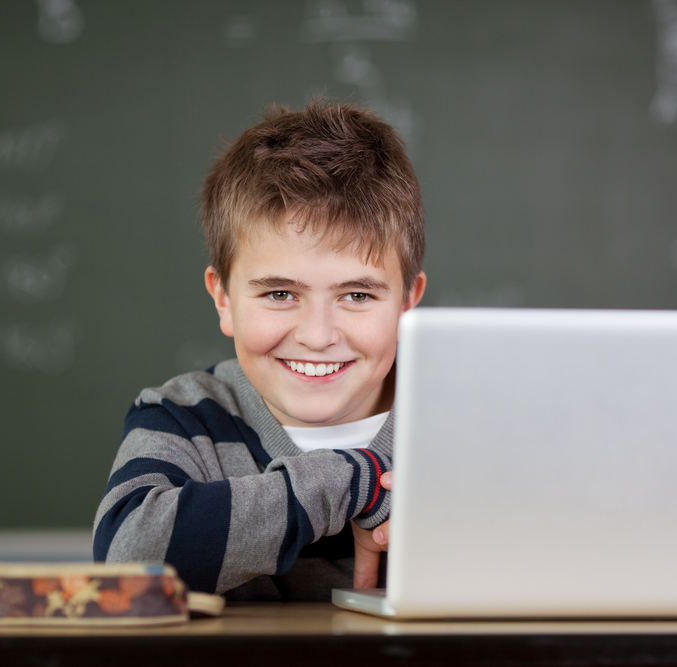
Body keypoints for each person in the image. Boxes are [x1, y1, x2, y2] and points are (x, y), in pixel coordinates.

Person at [92, 100, 426, 601]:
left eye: (356, 295)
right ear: (223, 298)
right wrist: (357, 481)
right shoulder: (183, 417)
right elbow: (126, 562)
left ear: (407, 305)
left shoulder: (467, 422)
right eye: (279, 294)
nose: (317, 335)